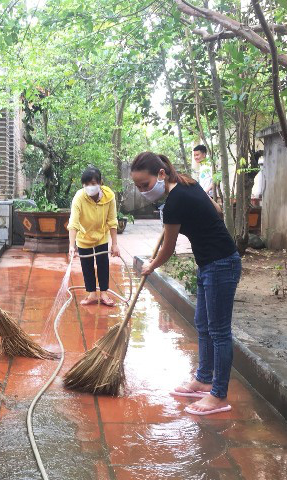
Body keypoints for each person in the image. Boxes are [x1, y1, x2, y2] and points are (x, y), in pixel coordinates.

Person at [131, 151, 240, 416]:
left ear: (160, 175)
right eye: (137, 187)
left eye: (144, 185)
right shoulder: (188, 185)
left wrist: (151, 265)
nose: (143, 191)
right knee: (203, 324)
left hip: (221, 264)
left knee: (219, 331)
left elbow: (167, 249)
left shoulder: (175, 201)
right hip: (209, 263)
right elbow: (216, 209)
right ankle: (203, 379)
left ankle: (218, 395)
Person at [67, 167, 120, 306]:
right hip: (84, 237)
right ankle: (91, 294)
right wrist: (71, 246)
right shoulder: (79, 197)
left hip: (101, 236)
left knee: (103, 264)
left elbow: (112, 221)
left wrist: (114, 244)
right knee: (87, 265)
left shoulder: (109, 197)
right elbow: (73, 223)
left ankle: (104, 293)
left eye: (93, 183)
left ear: (100, 182)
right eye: (86, 184)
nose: (90, 187)